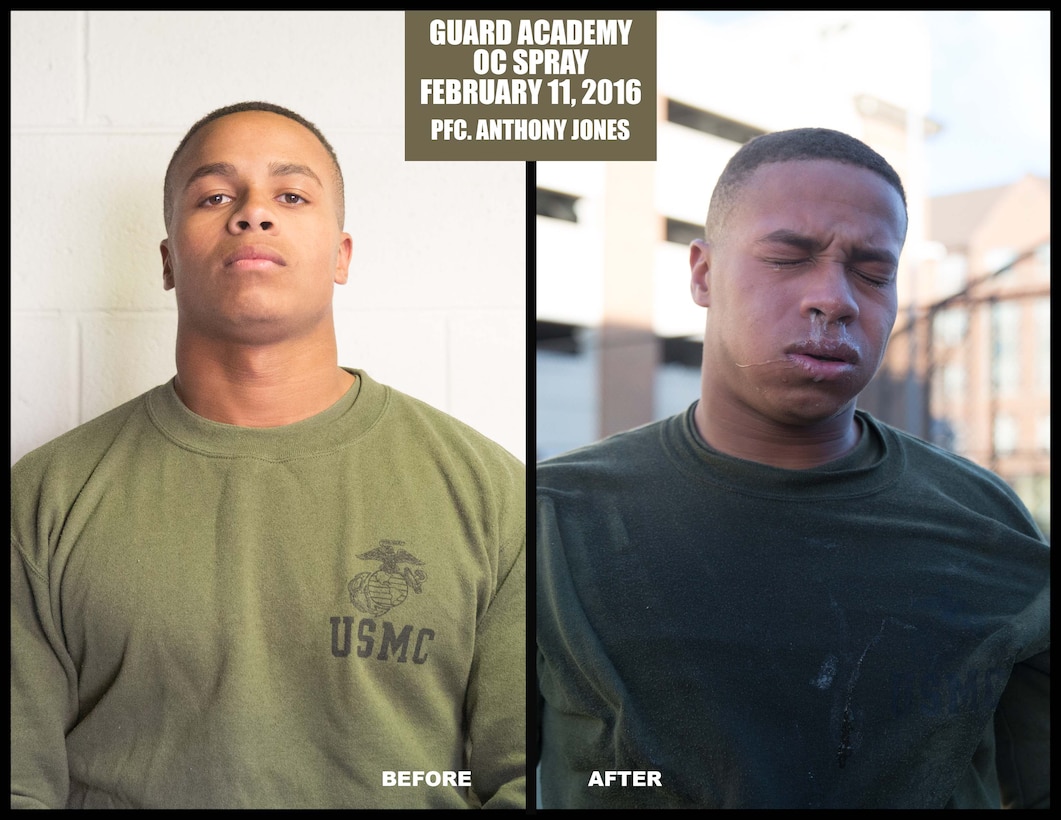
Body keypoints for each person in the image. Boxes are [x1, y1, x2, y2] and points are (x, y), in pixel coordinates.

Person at [11, 101, 526, 810]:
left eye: (290, 196)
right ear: (168, 259)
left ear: (341, 255)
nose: (253, 213)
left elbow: (531, 776)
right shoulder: (45, 497)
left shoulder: (491, 493)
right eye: (214, 196)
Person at [535, 128, 1049, 809]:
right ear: (702, 274)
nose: (834, 299)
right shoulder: (552, 519)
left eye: (873, 272)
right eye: (786, 258)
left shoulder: (987, 522)